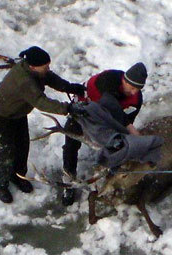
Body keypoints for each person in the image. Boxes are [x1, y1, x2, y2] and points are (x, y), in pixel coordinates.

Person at [0, 46, 86, 204]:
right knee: (6, 151)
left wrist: (68, 87)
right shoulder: (24, 81)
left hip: (17, 114)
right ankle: (0, 183)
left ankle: (18, 175)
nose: (48, 68)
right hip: (1, 115)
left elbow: (50, 77)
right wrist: (68, 108)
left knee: (22, 146)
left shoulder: (36, 71)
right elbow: (40, 101)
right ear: (33, 66)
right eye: (45, 66)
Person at [62, 62, 148, 206]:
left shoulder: (136, 100)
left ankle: (111, 176)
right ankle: (68, 181)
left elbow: (124, 125)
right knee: (71, 143)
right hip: (83, 112)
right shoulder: (107, 80)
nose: (134, 92)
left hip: (106, 121)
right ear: (124, 80)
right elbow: (110, 104)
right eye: (132, 87)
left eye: (138, 89)